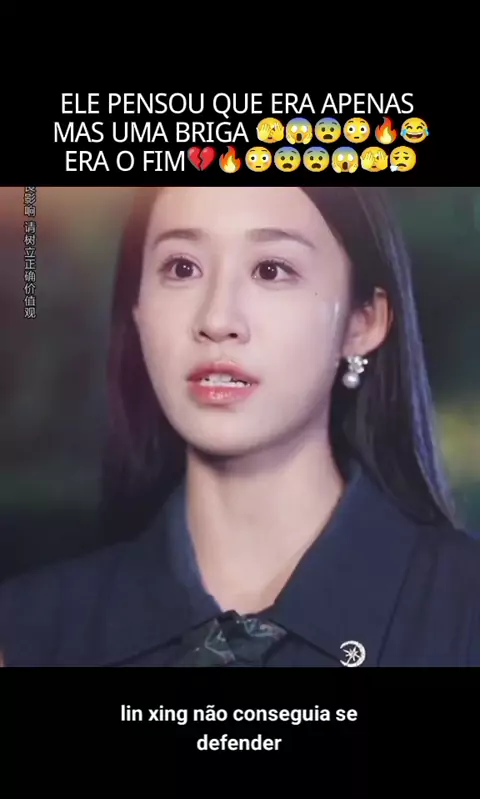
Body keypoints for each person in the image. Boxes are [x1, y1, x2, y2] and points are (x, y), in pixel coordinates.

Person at [1, 185, 479, 667]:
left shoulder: (461, 614)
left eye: (271, 270)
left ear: (363, 323)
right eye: (182, 268)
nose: (216, 319)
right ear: (138, 310)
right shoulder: (28, 634)